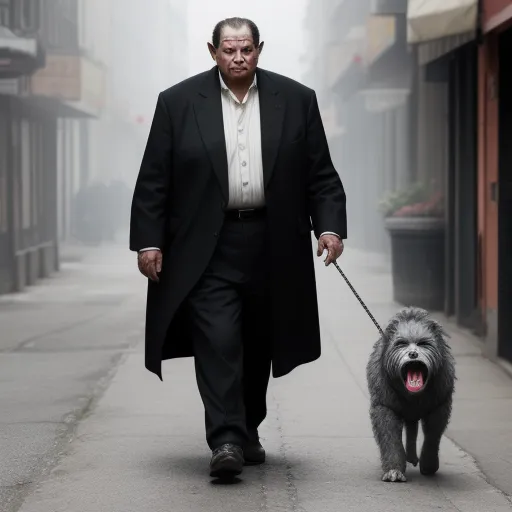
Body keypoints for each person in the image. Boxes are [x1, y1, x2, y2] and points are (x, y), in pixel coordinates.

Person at [129, 17, 347, 480]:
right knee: (218, 339)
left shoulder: (296, 100)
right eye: (228, 50)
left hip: (274, 241)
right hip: (208, 245)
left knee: (258, 341)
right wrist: (149, 241)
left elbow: (321, 176)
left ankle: (248, 427)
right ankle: (225, 439)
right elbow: (154, 179)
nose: (238, 58)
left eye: (246, 49)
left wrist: (329, 228)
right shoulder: (179, 103)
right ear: (213, 52)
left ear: (260, 49)